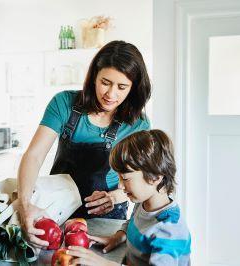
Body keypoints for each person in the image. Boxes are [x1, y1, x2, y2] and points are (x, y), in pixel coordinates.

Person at [17, 40, 152, 248]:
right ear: (93, 77)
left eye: (122, 87)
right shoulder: (63, 104)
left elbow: (139, 180)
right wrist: (25, 205)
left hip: (107, 215)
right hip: (57, 208)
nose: (111, 94)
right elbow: (34, 156)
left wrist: (114, 197)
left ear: (133, 88)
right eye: (105, 82)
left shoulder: (138, 124)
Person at [67, 129, 191, 266]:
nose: (120, 185)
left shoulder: (169, 231)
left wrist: (105, 264)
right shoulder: (143, 203)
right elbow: (133, 223)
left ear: (155, 177)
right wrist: (118, 237)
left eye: (125, 178)